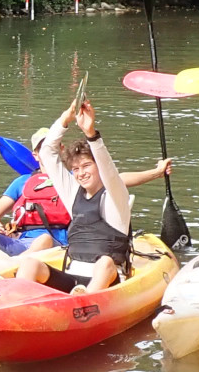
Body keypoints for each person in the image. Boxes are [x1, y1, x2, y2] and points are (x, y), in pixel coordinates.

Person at [0, 106, 171, 256]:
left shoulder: (74, 179)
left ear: (61, 149)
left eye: (51, 146)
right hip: (20, 239)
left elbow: (117, 180)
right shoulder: (22, 182)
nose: (46, 153)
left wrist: (156, 172)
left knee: (43, 240)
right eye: (40, 149)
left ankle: (11, 271)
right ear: (35, 155)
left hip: (52, 244)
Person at [14, 99, 133, 294]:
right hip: (72, 278)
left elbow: (109, 170)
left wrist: (90, 134)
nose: (81, 173)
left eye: (87, 166)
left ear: (98, 167)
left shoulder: (115, 196)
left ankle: (82, 305)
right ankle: (15, 302)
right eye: (76, 169)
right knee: (29, 264)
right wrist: (64, 119)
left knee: (105, 263)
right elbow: (48, 153)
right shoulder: (73, 194)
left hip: (106, 282)